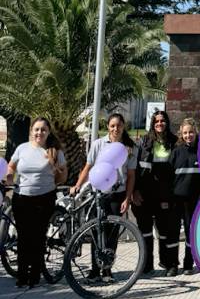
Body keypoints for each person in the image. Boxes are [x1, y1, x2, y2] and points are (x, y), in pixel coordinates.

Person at [70, 113, 136, 282]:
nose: (115, 129)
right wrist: (78, 185)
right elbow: (88, 166)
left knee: (112, 235)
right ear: (108, 126)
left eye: (119, 126)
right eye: (112, 125)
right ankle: (94, 270)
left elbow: (131, 175)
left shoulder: (130, 148)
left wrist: (127, 198)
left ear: (123, 127)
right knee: (96, 231)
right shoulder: (98, 144)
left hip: (117, 194)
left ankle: (106, 270)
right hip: (98, 193)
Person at [5, 117, 67, 288]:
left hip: (44, 198)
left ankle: (34, 275)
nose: (40, 133)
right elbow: (11, 166)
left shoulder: (54, 151)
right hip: (21, 197)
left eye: (43, 130)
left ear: (48, 132)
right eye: (37, 129)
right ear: (32, 131)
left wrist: (57, 170)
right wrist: (9, 176)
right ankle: (22, 275)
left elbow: (64, 176)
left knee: (38, 237)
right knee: (23, 236)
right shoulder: (22, 148)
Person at [133, 110, 180, 276]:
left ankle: (170, 263)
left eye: (162, 121)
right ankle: (146, 265)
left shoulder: (175, 142)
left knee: (167, 231)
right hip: (144, 194)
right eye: (156, 121)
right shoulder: (143, 142)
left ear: (167, 123)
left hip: (166, 194)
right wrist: (134, 191)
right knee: (145, 231)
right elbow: (135, 169)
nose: (159, 124)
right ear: (152, 124)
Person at [170, 118, 200, 274]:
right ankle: (172, 265)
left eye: (191, 132)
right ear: (181, 134)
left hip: (194, 200)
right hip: (176, 199)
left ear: (195, 132)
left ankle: (187, 264)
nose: (188, 135)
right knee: (173, 231)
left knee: (191, 231)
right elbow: (168, 176)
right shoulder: (176, 152)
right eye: (185, 133)